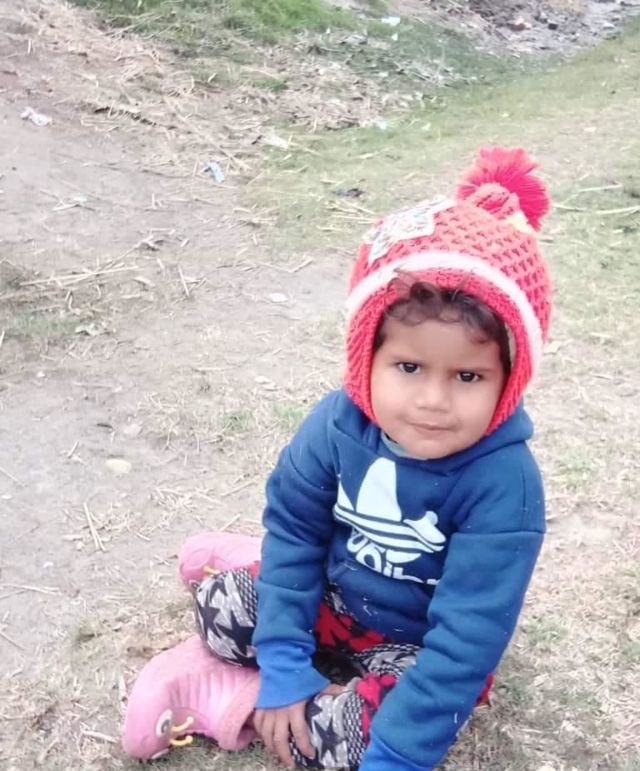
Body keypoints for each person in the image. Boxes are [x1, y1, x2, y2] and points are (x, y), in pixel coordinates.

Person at [122, 146, 553, 771]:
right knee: (223, 611)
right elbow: (296, 529)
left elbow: (466, 642)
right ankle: (247, 630)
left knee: (353, 745)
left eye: (467, 375)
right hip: (333, 596)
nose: (433, 400)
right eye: (409, 366)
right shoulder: (336, 425)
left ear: (509, 380)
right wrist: (283, 667)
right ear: (365, 356)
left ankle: (229, 700)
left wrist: (395, 759)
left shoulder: (506, 485)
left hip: (411, 643)